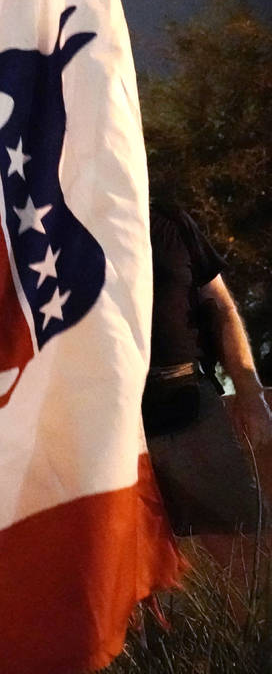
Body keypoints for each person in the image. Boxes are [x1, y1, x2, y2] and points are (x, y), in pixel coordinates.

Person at [143, 203, 272, 534]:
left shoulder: (170, 221)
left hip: (186, 402)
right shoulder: (52, 222)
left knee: (243, 547)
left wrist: (249, 390)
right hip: (102, 418)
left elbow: (222, 307)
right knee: (127, 566)